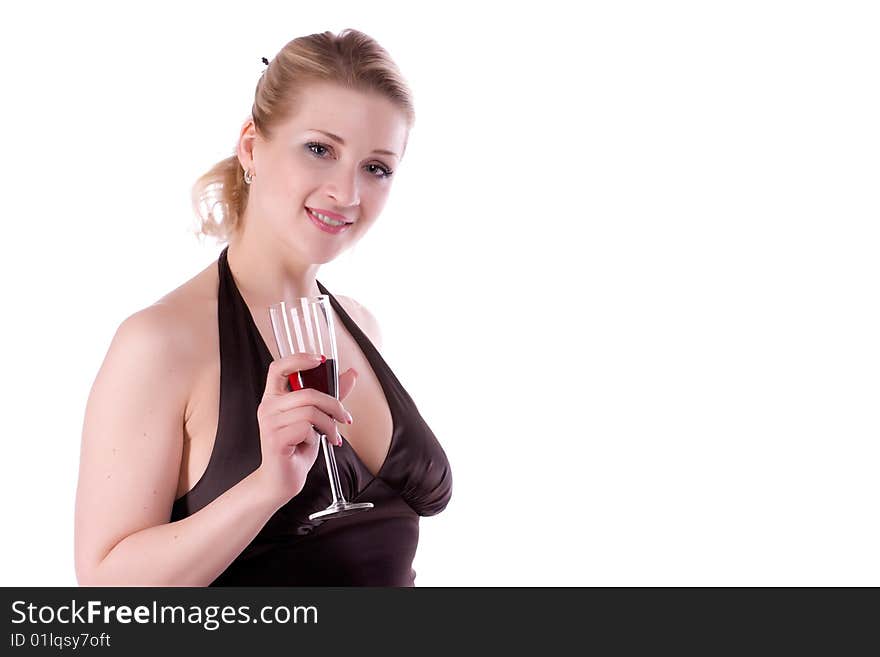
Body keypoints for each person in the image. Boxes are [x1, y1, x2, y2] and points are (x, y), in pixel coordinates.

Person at [74, 29, 452, 586]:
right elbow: (108, 593)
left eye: (377, 167)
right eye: (320, 149)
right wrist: (265, 489)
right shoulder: (160, 343)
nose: (346, 192)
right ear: (251, 146)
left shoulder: (359, 324)